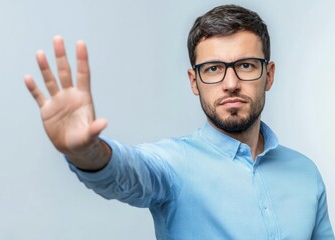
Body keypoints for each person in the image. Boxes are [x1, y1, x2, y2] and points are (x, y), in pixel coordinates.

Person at [24, 4, 334, 240]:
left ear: (269, 75)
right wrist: (85, 152)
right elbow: (126, 172)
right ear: (194, 81)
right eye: (213, 69)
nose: (230, 83)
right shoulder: (172, 165)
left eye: (246, 65)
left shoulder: (305, 173)